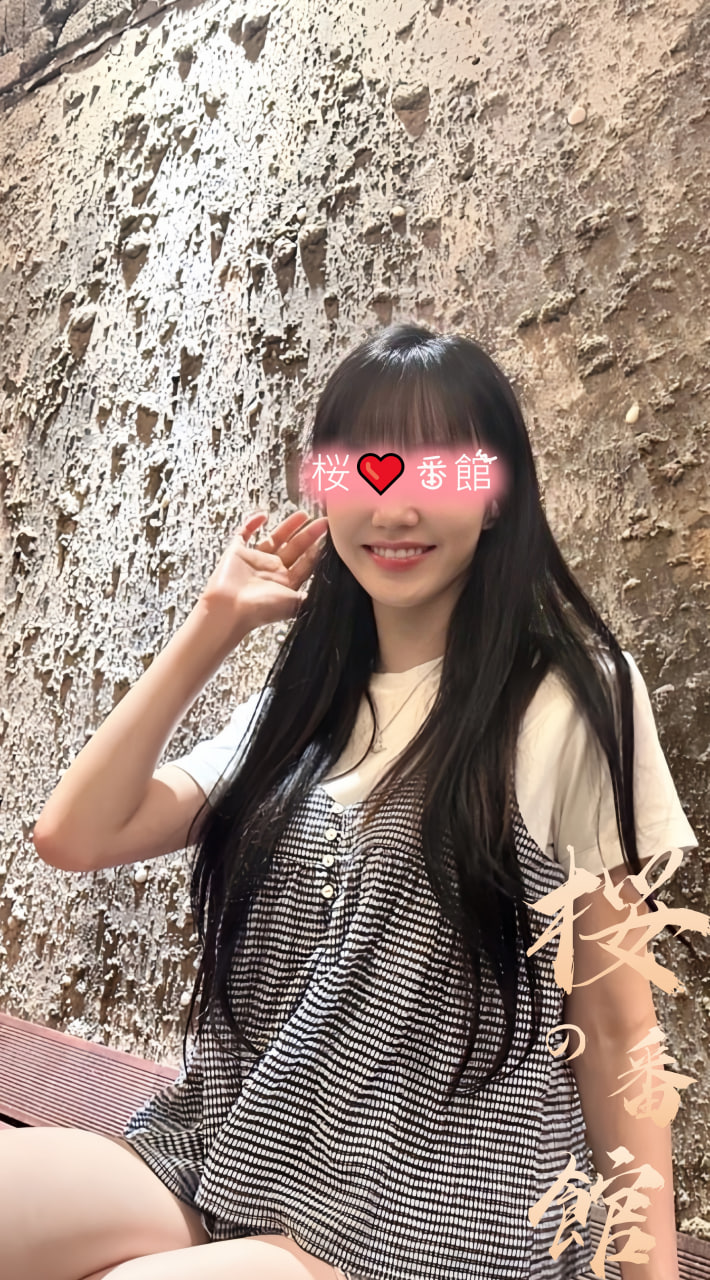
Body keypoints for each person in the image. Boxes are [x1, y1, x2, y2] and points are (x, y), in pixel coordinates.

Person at [10, 323, 698, 1280]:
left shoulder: (571, 697)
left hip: (435, 1215)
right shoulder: (301, 705)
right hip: (226, 1156)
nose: (396, 503)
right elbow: (73, 834)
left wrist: (646, 1271)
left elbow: (618, 1024)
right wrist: (215, 622)